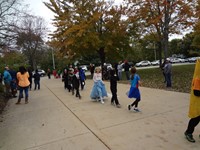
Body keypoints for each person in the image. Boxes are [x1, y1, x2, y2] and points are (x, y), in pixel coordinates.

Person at [184, 59, 200, 143]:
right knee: (195, 119)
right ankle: (188, 132)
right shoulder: (198, 78)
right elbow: (197, 92)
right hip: (198, 104)